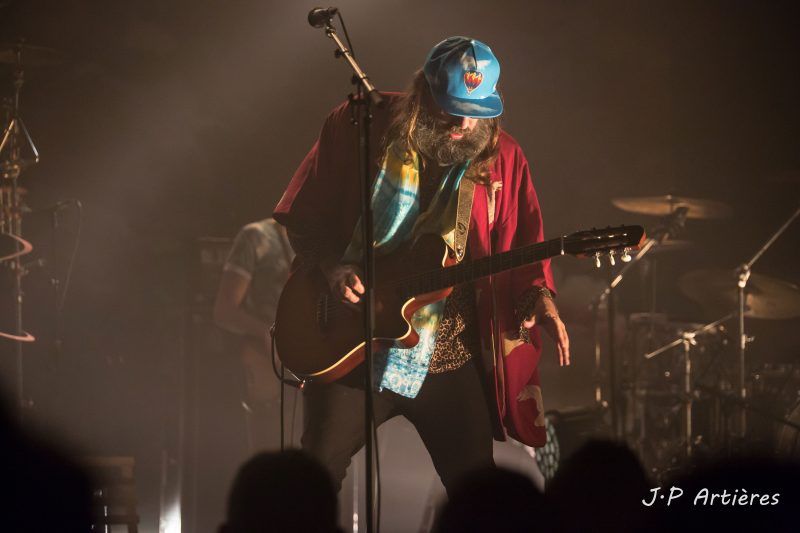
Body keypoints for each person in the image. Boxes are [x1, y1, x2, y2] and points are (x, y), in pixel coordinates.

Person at [273, 36, 570, 494]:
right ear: (422, 91)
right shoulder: (360, 126)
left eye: (478, 111)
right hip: (354, 343)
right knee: (311, 478)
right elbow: (305, 216)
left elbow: (525, 241)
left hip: (449, 355)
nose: (464, 123)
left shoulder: (504, 156)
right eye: (452, 107)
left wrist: (541, 298)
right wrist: (332, 269)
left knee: (480, 496)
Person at [213, 218, 295, 448]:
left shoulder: (321, 243)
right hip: (267, 367)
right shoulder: (256, 236)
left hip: (308, 368)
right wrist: (264, 333)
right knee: (270, 449)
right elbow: (224, 311)